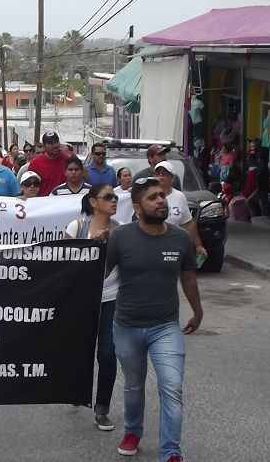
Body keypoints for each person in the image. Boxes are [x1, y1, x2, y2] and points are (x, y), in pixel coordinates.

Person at [106, 177, 202, 462]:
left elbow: (188, 276)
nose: (161, 200)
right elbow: (98, 271)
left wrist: (198, 311)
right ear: (137, 208)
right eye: (152, 197)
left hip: (165, 327)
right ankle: (133, 431)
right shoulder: (120, 237)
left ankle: (171, 451)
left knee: (171, 387)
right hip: (126, 326)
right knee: (134, 386)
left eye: (162, 195)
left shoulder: (180, 238)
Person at [65, 183, 120, 431]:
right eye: (108, 197)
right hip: (83, 300)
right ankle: (77, 390)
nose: (113, 200)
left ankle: (101, 409)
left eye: (115, 196)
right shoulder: (77, 227)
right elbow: (62, 265)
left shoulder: (121, 231)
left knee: (107, 354)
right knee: (80, 350)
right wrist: (90, 246)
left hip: (112, 300)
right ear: (93, 202)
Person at [154, 161, 206, 257]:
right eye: (157, 174)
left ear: (172, 178)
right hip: (152, 244)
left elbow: (188, 222)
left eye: (164, 174)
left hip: (173, 246)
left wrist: (198, 245)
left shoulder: (179, 196)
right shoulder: (148, 195)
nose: (160, 176)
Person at [29, 132, 68, 196]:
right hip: (45, 203)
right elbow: (29, 187)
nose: (55, 145)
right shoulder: (35, 163)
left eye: (56, 142)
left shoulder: (68, 157)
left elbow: (84, 175)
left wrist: (68, 155)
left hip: (66, 201)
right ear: (44, 146)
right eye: (50, 143)